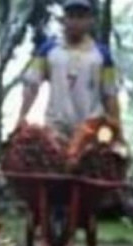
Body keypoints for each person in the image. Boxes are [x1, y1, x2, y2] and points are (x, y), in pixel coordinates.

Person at [16, 0, 122, 141]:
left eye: (81, 17)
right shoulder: (48, 50)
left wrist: (118, 131)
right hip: (56, 129)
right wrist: (22, 116)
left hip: (91, 129)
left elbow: (110, 95)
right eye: (71, 16)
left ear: (90, 21)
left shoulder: (102, 55)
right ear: (63, 20)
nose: (75, 22)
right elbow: (32, 85)